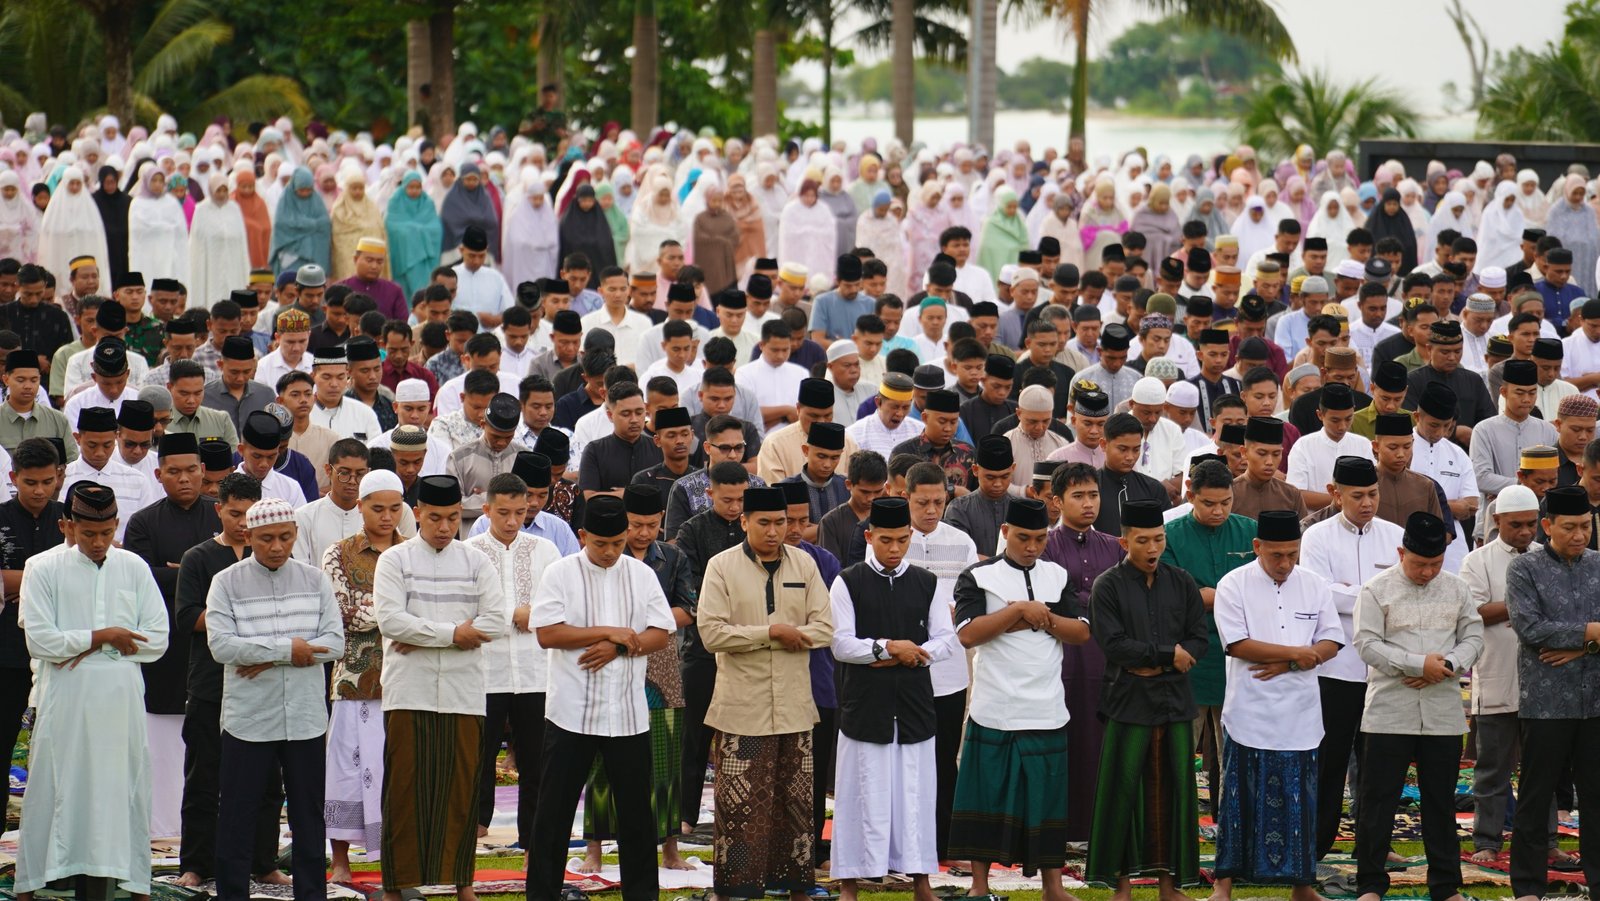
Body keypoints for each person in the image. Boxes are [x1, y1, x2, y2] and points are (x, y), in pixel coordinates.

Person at [15, 483, 168, 901]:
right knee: (55, 784)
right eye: (88, 534)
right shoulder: (43, 569)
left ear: (116, 525)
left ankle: (133, 881)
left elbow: (157, 640)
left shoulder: (134, 567)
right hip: (65, 698)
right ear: (68, 526)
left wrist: (83, 643)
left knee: (123, 786)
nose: (98, 543)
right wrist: (107, 636)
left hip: (120, 699)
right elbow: (42, 643)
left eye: (105, 533)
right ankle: (31, 883)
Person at [521, 492, 672, 901]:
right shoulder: (560, 572)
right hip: (572, 714)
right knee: (553, 815)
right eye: (600, 544)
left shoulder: (641, 575)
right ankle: (543, 894)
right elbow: (547, 632)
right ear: (582, 535)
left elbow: (661, 632)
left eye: (618, 544)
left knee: (638, 818)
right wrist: (608, 632)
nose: (609, 552)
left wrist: (620, 646)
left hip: (627, 715)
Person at [948, 496, 1090, 901]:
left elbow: (1080, 631)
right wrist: (1020, 612)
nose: (1032, 547)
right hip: (995, 706)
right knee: (983, 798)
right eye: (1023, 538)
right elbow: (969, 633)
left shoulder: (1057, 575)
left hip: (1046, 706)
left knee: (1047, 801)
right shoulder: (978, 576)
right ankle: (979, 885)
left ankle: (1053, 887)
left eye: (1040, 539)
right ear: (1005, 533)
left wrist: (1033, 614)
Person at [373, 474, 506, 901]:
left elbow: (494, 622)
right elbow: (391, 621)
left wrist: (423, 635)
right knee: (404, 790)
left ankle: (462, 884)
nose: (445, 527)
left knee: (461, 789)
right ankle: (397, 885)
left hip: (463, 694)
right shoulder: (394, 561)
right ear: (417, 514)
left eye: (452, 518)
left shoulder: (476, 562)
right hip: (407, 691)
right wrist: (454, 634)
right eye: (435, 518)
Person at [698, 486, 833, 901]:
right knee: (740, 810)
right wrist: (772, 633)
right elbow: (711, 632)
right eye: (765, 523)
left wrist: (775, 636)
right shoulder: (721, 567)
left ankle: (795, 888)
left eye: (783, 523)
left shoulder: (805, 564)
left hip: (794, 705)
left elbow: (825, 629)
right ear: (744, 522)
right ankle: (737, 889)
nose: (776, 532)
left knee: (795, 808)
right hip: (741, 706)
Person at [207, 496, 343, 901]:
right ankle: (233, 893)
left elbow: (334, 643)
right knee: (237, 814)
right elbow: (223, 647)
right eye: (267, 538)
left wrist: (263, 655)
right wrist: (290, 651)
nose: (277, 546)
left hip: (304, 718)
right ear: (248, 536)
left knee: (307, 816)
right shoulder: (227, 582)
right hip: (249, 719)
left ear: (296, 534)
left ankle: (311, 894)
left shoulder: (315, 580)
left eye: (285, 537)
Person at [1210, 510, 1343, 901]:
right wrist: (1299, 654)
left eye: (1292, 554)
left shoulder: (1314, 585)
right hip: (1249, 711)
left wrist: (1290, 661)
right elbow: (1237, 645)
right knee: (1237, 799)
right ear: (1257, 548)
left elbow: (1332, 641)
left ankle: (1302, 886)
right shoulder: (1233, 585)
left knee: (1300, 802)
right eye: (1276, 555)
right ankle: (1224, 884)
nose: (1285, 564)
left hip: (1300, 715)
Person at [829, 496, 956, 901]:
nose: (895, 548)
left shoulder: (926, 582)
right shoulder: (848, 580)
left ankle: (921, 884)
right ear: (869, 536)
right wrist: (887, 648)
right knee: (860, 794)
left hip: (915, 706)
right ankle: (850, 885)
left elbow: (946, 640)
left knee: (916, 796)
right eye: (886, 540)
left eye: (903, 540)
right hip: (866, 707)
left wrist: (915, 654)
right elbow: (840, 643)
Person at [1353, 512, 1482, 901]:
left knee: (1440, 803)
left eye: (1435, 564)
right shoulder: (1376, 590)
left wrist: (1445, 666)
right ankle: (1371, 885)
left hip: (1442, 714)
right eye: (1419, 564)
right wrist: (1416, 664)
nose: (1428, 572)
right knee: (1379, 801)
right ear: (1400, 552)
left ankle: (1445, 886)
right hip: (1389, 712)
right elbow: (1366, 644)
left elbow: (1474, 636)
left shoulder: (1457, 589)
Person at [1086, 498, 1208, 900]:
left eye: (1158, 539)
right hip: (1128, 704)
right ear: (1124, 543)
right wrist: (1167, 656)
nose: (1152, 548)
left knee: (1174, 792)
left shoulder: (1182, 581)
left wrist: (1160, 663)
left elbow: (1197, 639)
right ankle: (1121, 886)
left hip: (1174, 703)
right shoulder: (1108, 585)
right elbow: (1116, 645)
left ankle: (1168, 886)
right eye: (1143, 541)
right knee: (1124, 792)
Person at [577, 485, 696, 871]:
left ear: (661, 520)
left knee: (664, 757)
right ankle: (594, 847)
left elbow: (687, 610)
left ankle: (670, 848)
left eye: (651, 525)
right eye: (635, 525)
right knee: (600, 755)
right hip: (608, 660)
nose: (643, 533)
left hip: (658, 662)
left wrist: (638, 631)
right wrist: (632, 632)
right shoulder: (606, 554)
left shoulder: (673, 557)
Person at [462, 473, 563, 862]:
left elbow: (558, 607)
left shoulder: (545, 551)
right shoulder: (468, 553)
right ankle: (472, 835)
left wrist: (530, 615)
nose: (511, 521)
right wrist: (512, 614)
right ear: (486, 510)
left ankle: (533, 841)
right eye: (502, 512)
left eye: (520, 512)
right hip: (485, 673)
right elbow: (466, 613)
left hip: (537, 672)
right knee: (478, 759)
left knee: (537, 760)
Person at [1505, 485, 1600, 896]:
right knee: (1535, 795)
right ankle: (1527, 886)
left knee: (1596, 800)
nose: (1579, 535)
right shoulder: (1524, 569)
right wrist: (1593, 635)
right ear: (1547, 526)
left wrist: (1579, 647)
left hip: (1596, 700)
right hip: (1545, 703)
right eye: (1569, 528)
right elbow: (1530, 629)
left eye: (1585, 526)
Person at [123, 432, 219, 839]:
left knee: (212, 742)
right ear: (159, 474)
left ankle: (209, 830)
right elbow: (140, 578)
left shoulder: (220, 515)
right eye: (174, 472)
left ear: (203, 472)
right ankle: (161, 827)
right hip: (164, 647)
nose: (184, 479)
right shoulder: (143, 522)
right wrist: (196, 574)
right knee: (161, 744)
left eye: (191, 471)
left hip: (214, 646)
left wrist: (177, 572)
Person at [1460, 485, 1560, 865]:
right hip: (1497, 674)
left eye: (1531, 524)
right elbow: (1473, 612)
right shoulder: (1478, 561)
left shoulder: (1548, 557)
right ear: (1497, 520)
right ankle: (1487, 842)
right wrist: (1525, 607)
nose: (1524, 532)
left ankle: (1547, 843)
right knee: (1492, 770)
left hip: (1546, 681)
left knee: (1544, 769)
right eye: (1515, 524)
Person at [1159, 459, 1256, 815]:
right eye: (1208, 503)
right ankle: (1178, 824)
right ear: (1190, 496)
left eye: (1225, 503)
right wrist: (1232, 596)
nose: (1218, 511)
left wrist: (1210, 596)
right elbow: (1174, 598)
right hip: (1191, 659)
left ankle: (1231, 824)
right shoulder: (1170, 536)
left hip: (1241, 657)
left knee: (1236, 752)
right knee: (1181, 751)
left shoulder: (1249, 532)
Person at [0, 439, 62, 830]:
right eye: (30, 482)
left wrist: (18, 582)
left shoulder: (70, 518)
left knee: (57, 745)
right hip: (6, 652)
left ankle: (52, 831)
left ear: (58, 478)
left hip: (58, 651)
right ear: (13, 479)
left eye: (46, 482)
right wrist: (48, 580)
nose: (39, 491)